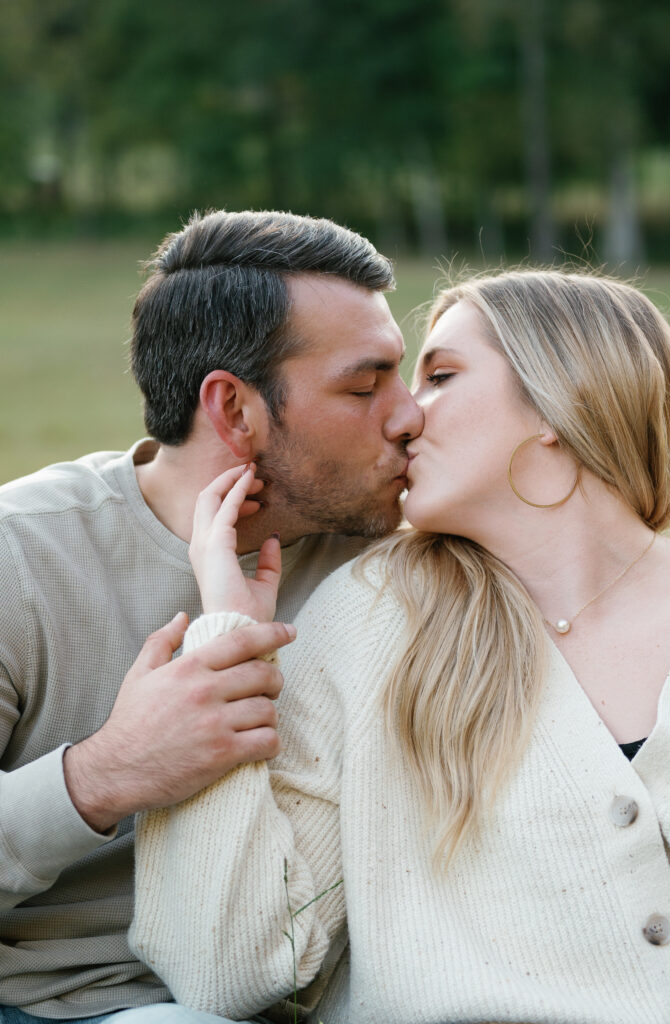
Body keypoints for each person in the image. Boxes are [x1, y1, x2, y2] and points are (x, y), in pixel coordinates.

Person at [131, 268, 670, 1024]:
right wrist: (226, 642)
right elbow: (232, 968)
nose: (406, 415)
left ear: (560, 397)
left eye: (441, 375)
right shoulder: (373, 620)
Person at [0, 209, 423, 1023]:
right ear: (233, 410)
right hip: (68, 1007)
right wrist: (103, 775)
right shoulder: (22, 557)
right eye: (364, 387)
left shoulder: (392, 559)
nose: (407, 417)